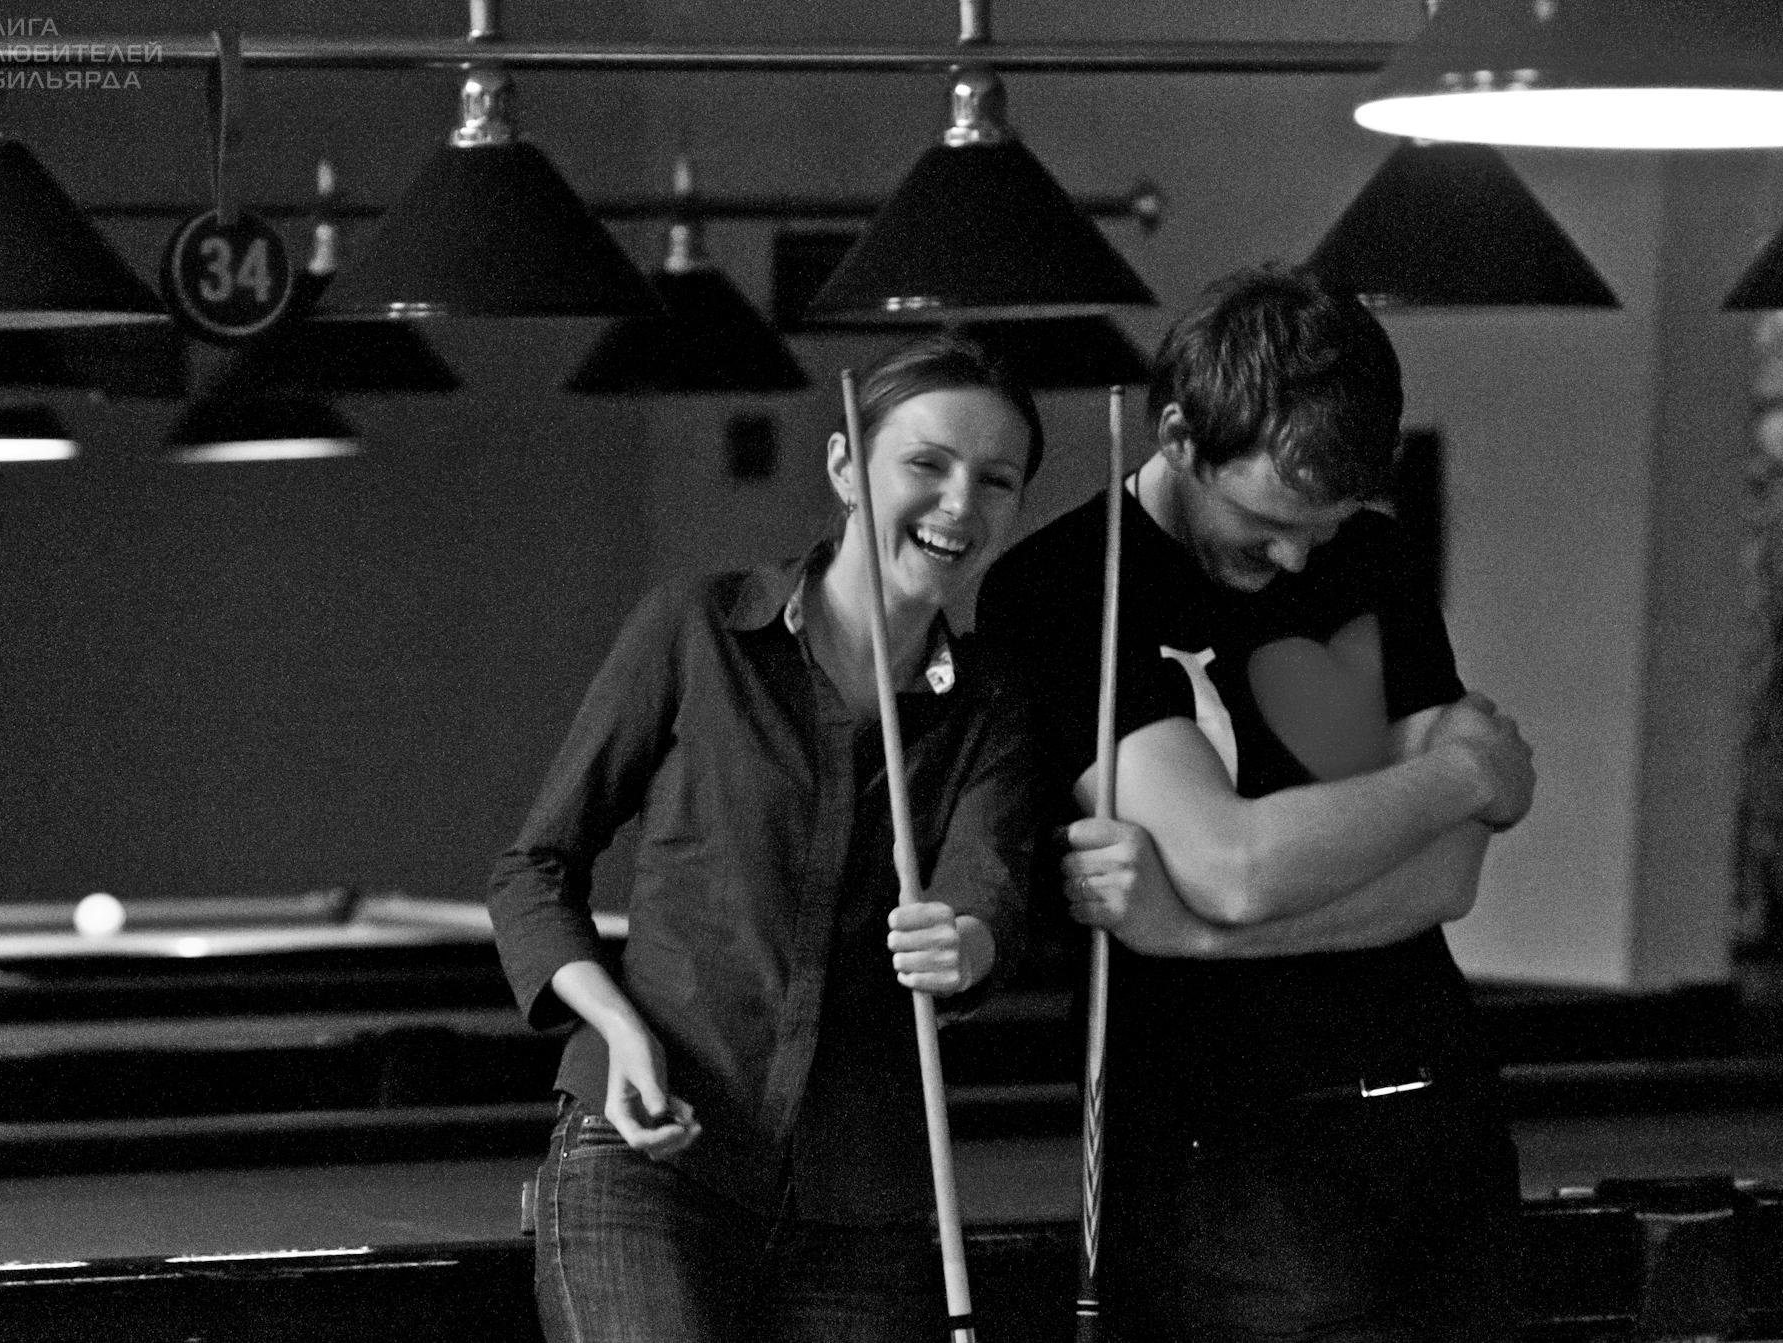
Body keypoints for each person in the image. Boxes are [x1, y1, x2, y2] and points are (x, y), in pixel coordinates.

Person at [978, 266, 1537, 1342]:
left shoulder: (1370, 555)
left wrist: (1192, 933)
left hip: (1438, 1112)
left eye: (1322, 526)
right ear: (1179, 436)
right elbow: (1231, 864)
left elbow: (1447, 877)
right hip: (1222, 1153)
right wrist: (1462, 777)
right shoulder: (1066, 585)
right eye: (1267, 520)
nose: (1294, 557)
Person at [489, 334, 1043, 1343]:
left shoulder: (990, 707)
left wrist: (963, 944)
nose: (961, 501)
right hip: (649, 1159)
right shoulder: (695, 629)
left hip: (859, 1200)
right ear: (845, 466)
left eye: (995, 479)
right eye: (926, 463)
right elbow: (534, 870)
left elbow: (986, 893)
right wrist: (620, 1030)